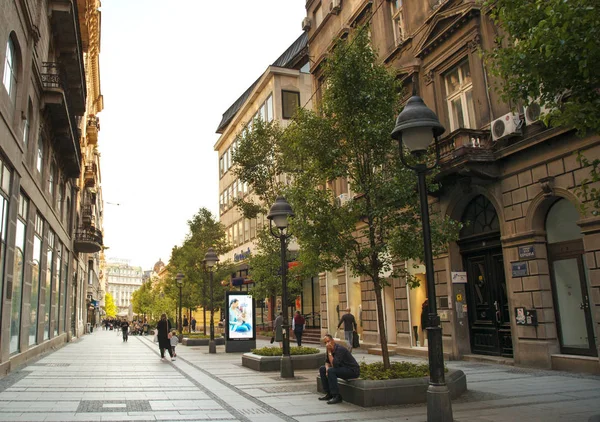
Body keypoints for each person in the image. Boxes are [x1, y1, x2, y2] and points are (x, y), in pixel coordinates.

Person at [318, 334, 360, 405]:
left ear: (333, 341)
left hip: (351, 370)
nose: (327, 344)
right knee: (322, 369)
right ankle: (329, 393)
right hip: (342, 368)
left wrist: (329, 352)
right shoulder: (330, 349)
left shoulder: (339, 349)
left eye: (328, 341)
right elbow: (327, 362)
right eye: (325, 343)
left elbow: (334, 365)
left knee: (332, 371)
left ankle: (336, 396)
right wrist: (327, 369)